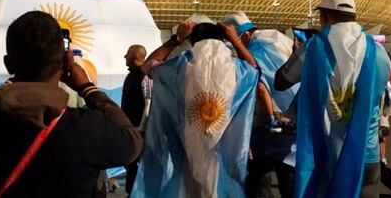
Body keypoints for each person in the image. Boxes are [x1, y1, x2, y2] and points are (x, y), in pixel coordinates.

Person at [0, 11, 142, 197]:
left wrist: (8, 86)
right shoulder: (88, 129)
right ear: (64, 64)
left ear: (8, 64)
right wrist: (88, 88)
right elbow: (133, 141)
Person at [275, 0, 391, 198]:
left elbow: (281, 82)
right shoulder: (378, 52)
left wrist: (295, 55)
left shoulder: (313, 47)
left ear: (324, 17)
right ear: (353, 17)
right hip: (366, 153)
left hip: (322, 154)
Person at [134, 21, 259, 197]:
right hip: (223, 147)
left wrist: (176, 39)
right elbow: (255, 69)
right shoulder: (239, 69)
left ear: (192, 41)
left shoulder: (178, 68)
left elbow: (148, 66)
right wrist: (236, 41)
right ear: (222, 40)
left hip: (184, 147)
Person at [222, 12, 296, 198]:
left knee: (260, 181)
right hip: (292, 121)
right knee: (289, 179)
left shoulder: (256, 47)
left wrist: (270, 118)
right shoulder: (277, 39)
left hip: (267, 125)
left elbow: (259, 83)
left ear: (245, 35)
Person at [121, 44, 148, 195]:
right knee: (131, 166)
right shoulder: (131, 76)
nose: (125, 56)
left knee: (135, 166)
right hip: (131, 130)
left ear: (136, 57)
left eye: (128, 54)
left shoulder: (143, 77)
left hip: (139, 131)